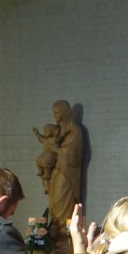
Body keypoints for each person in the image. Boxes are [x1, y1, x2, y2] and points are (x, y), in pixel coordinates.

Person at [49, 100, 84, 240]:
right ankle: (56, 230)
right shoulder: (58, 130)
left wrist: (57, 150)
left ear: (64, 112)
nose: (55, 115)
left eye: (57, 112)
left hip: (67, 175)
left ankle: (66, 233)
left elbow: (74, 155)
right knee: (54, 200)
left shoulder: (75, 130)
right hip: (57, 169)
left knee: (63, 200)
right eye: (54, 113)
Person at [32, 123, 60, 190]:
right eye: (45, 131)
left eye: (47, 131)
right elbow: (40, 138)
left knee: (47, 175)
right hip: (44, 156)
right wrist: (37, 133)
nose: (45, 132)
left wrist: (56, 133)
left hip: (49, 157)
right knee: (38, 160)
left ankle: (47, 188)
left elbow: (56, 139)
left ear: (52, 131)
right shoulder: (45, 140)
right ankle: (41, 171)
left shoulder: (52, 140)